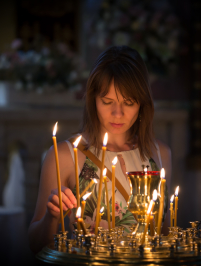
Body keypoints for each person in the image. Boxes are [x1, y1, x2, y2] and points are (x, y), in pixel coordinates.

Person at [28, 45, 172, 254]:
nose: (117, 113)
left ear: (142, 103)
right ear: (93, 99)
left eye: (129, 102)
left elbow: (166, 234)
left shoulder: (159, 154)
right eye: (107, 101)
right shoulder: (66, 155)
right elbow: (34, 245)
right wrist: (52, 217)